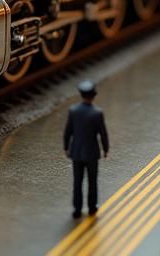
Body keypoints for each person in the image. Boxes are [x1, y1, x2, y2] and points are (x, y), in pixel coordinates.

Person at [63, 79, 109, 219]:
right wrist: (105, 149)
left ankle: (77, 209)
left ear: (81, 94)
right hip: (92, 153)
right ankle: (92, 207)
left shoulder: (73, 111)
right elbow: (103, 134)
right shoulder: (97, 113)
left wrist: (66, 147)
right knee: (92, 181)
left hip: (76, 153)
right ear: (94, 95)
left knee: (77, 182)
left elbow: (68, 131)